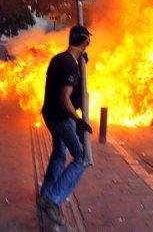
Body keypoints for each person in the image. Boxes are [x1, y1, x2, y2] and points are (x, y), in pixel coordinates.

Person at [37, 25, 93, 225]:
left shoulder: (61, 59)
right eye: (88, 41)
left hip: (49, 114)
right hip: (61, 118)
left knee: (60, 151)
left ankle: (45, 193)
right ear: (85, 41)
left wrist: (79, 62)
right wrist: (78, 121)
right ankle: (52, 199)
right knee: (82, 158)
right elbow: (65, 98)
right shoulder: (69, 65)